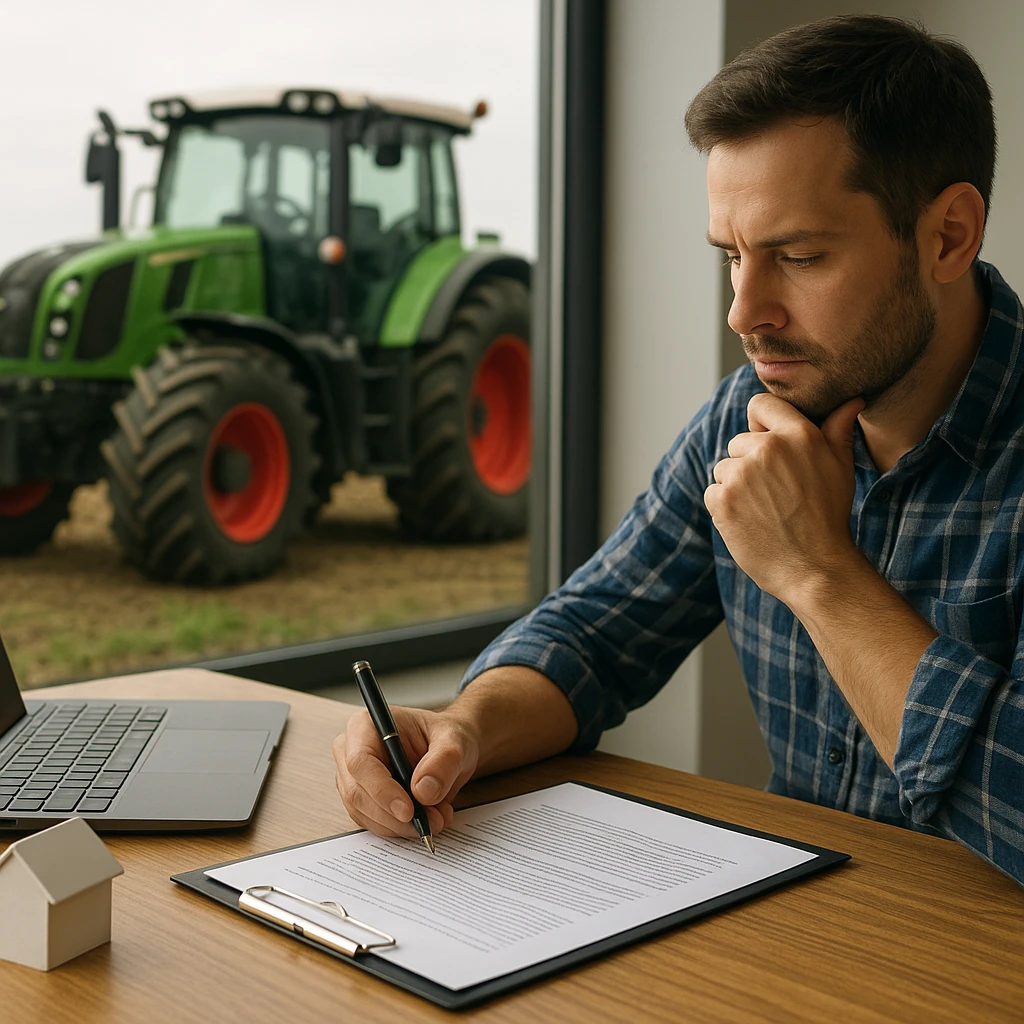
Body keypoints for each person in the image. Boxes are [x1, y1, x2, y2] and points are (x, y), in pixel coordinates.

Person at [334, 15, 1024, 887]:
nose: (743, 312)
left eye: (799, 256)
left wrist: (818, 573)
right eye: (732, 256)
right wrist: (464, 728)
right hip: (809, 926)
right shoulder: (744, 417)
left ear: (949, 235)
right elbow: (592, 636)